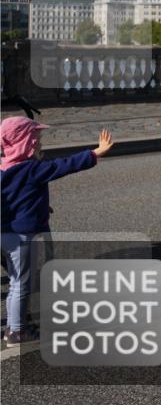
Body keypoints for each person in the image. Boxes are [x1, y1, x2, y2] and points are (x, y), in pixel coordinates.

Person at [2, 119, 114, 344]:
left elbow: (14, 200)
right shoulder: (31, 169)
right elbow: (63, 165)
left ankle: (13, 326)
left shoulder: (4, 169)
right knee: (21, 284)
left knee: (15, 282)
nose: (39, 143)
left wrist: (38, 207)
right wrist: (96, 153)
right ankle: (17, 332)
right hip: (22, 237)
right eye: (36, 139)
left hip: (4, 234)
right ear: (25, 142)